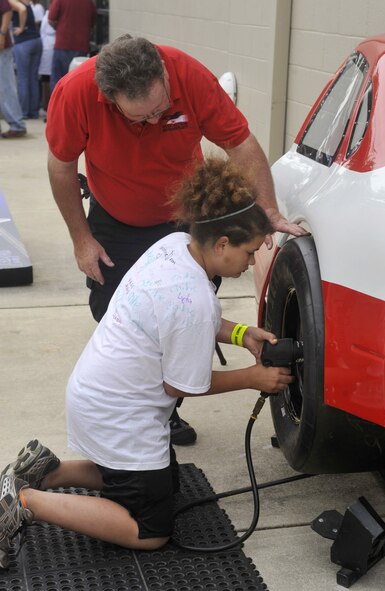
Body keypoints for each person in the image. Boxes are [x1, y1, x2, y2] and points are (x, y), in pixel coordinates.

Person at [0, 157, 294, 569]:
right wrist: (252, 378)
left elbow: (186, 319)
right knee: (150, 530)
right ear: (223, 243)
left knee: (164, 484)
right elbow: (183, 385)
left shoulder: (173, 248)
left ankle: (46, 470)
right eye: (248, 253)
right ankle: (25, 501)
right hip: (119, 414)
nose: (249, 263)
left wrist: (244, 335)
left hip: (98, 392)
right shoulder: (193, 297)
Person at [46, 34, 307, 445]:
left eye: (160, 111)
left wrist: (269, 211)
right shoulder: (75, 92)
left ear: (164, 75)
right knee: (114, 309)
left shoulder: (188, 76)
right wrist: (82, 240)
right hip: (116, 215)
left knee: (185, 314)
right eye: (139, 118)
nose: (152, 123)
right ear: (109, 97)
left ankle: (164, 413)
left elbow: (240, 143)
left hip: (183, 217)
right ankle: (143, 400)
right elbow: (61, 167)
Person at [48, 0, 96, 92]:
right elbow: (93, 21)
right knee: (77, 81)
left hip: (63, 44)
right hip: (81, 46)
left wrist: (58, 27)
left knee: (57, 80)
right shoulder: (89, 2)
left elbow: (51, 19)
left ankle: (58, 105)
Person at [9, 0, 42, 119]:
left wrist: (21, 28)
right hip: (36, 41)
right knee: (33, 78)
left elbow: (21, 10)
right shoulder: (28, 2)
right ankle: (33, 111)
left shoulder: (14, 3)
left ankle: (23, 112)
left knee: (23, 78)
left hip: (23, 42)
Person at [0, 0, 27, 138]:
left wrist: (2, 34)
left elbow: (8, 10)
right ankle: (17, 124)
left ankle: (17, 124)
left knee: (6, 86)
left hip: (1, 47)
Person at [38, 6, 55, 116]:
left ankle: (48, 105)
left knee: (48, 77)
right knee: (45, 77)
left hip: (50, 46)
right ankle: (46, 105)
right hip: (47, 45)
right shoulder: (47, 12)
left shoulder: (49, 15)